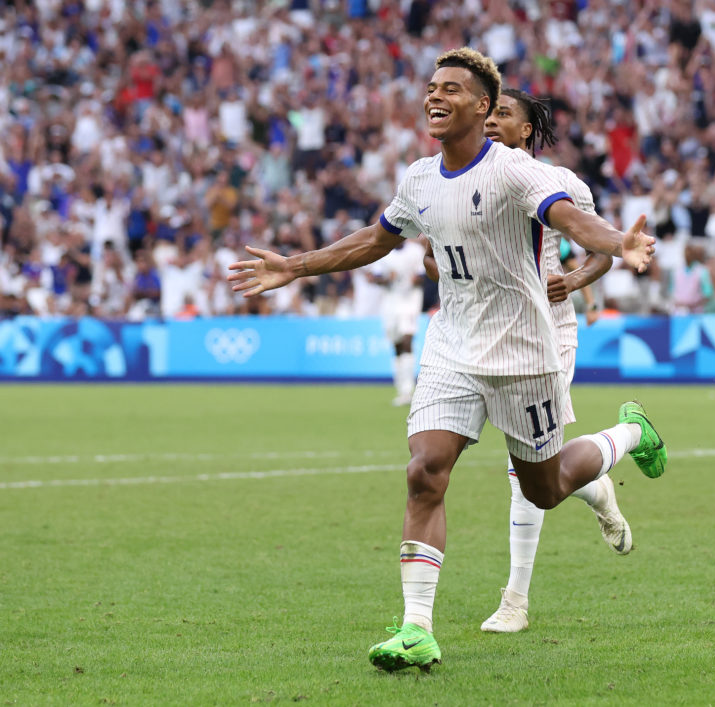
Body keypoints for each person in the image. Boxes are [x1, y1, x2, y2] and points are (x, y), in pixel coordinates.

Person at [226, 48, 667, 672]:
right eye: (432, 87)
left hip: (523, 351)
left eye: (452, 89)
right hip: (453, 345)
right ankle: (417, 629)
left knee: (541, 490)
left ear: (483, 106)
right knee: (424, 470)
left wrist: (618, 242)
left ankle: (626, 435)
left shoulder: (517, 173)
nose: (436, 96)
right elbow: (377, 238)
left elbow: (571, 219)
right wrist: (295, 266)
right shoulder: (419, 178)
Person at [456, 87, 630, 634]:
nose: (490, 121)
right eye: (488, 111)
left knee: (520, 472)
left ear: (527, 130)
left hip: (546, 336)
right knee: (540, 474)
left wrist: (573, 280)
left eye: (503, 114)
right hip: (480, 338)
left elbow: (599, 250)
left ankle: (515, 601)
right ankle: (610, 460)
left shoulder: (560, 183)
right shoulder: (458, 180)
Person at [370, 236, 427, 405]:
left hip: (410, 300)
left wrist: (414, 279)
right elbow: (376, 277)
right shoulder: (384, 253)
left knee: (407, 338)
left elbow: (423, 275)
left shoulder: (415, 251)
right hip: (390, 302)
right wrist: (388, 278)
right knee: (396, 344)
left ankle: (409, 389)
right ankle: (401, 387)